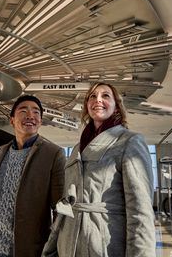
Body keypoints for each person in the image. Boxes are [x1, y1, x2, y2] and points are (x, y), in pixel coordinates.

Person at [42, 83, 156, 256]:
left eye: (106, 96)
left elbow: (140, 210)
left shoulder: (129, 141)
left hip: (104, 246)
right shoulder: (76, 148)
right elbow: (67, 201)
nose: (98, 100)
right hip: (67, 245)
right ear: (87, 105)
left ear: (117, 105)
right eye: (92, 96)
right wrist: (53, 244)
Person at [0, 95, 66, 257]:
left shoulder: (54, 154)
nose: (30, 115)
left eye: (36, 112)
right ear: (12, 120)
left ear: (40, 121)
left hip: (25, 251)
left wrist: (56, 250)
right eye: (23, 111)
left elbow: (61, 210)